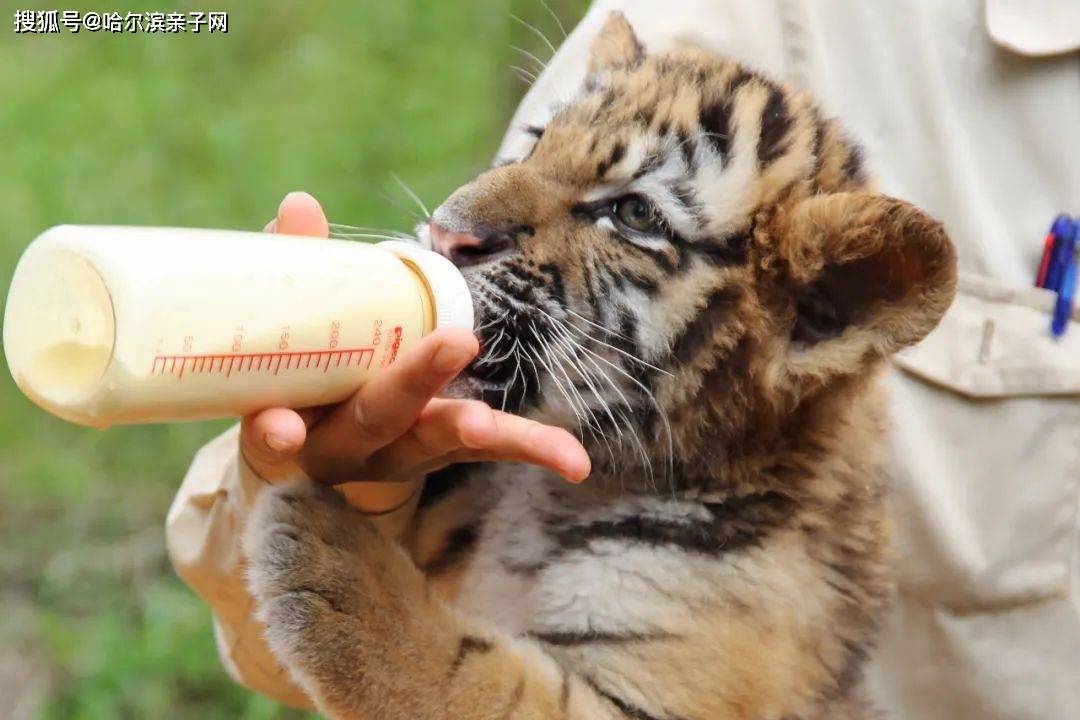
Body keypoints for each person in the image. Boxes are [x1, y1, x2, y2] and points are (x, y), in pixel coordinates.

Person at [168, 1, 1080, 717]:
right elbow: (254, 575)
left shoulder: (758, 562)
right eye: (534, 153)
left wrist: (402, 662)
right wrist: (336, 466)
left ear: (814, 313)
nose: (464, 218)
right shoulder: (745, 17)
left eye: (633, 218)